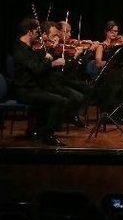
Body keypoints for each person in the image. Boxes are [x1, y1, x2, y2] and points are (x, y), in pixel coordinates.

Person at [12, 18, 82, 146]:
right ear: (29, 32)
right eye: (36, 32)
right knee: (60, 100)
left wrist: (47, 56)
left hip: (34, 88)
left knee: (58, 97)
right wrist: (52, 63)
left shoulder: (29, 49)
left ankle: (38, 130)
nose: (38, 34)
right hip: (24, 90)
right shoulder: (20, 50)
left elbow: (39, 65)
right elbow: (37, 69)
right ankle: (47, 135)